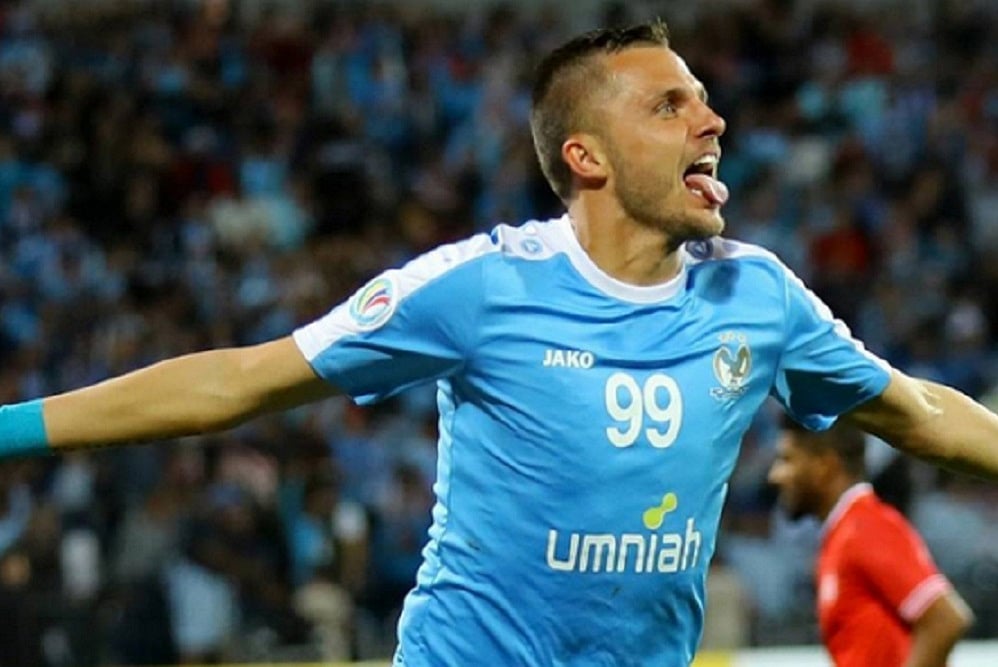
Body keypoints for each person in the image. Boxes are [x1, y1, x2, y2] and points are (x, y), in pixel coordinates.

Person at [2, 20, 998, 666]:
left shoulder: (757, 296)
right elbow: (237, 382)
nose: (712, 120)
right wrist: (11, 428)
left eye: (701, 97)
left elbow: (917, 412)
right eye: (669, 105)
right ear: (586, 156)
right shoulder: (479, 286)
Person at [768, 419, 973, 667]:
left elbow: (945, 620)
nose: (774, 476)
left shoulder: (865, 528)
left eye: (787, 459)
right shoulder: (841, 534)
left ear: (824, 466)